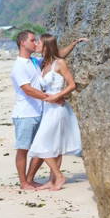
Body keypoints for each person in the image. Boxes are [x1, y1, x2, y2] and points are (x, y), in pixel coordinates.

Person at [10, 30, 86, 190]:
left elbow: (56, 55)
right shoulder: (19, 66)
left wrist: (74, 44)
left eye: (38, 41)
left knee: (46, 145)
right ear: (23, 43)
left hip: (43, 111)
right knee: (25, 149)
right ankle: (25, 182)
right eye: (32, 40)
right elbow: (27, 89)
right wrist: (51, 98)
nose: (35, 43)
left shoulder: (36, 62)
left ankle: (36, 179)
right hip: (26, 113)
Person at [28, 33, 82, 191]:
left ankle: (59, 176)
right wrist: (73, 44)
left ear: (46, 46)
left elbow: (72, 85)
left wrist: (57, 96)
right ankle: (52, 181)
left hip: (58, 108)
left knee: (40, 144)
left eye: (39, 43)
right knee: (54, 146)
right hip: (47, 109)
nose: (36, 44)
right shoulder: (43, 64)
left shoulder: (59, 63)